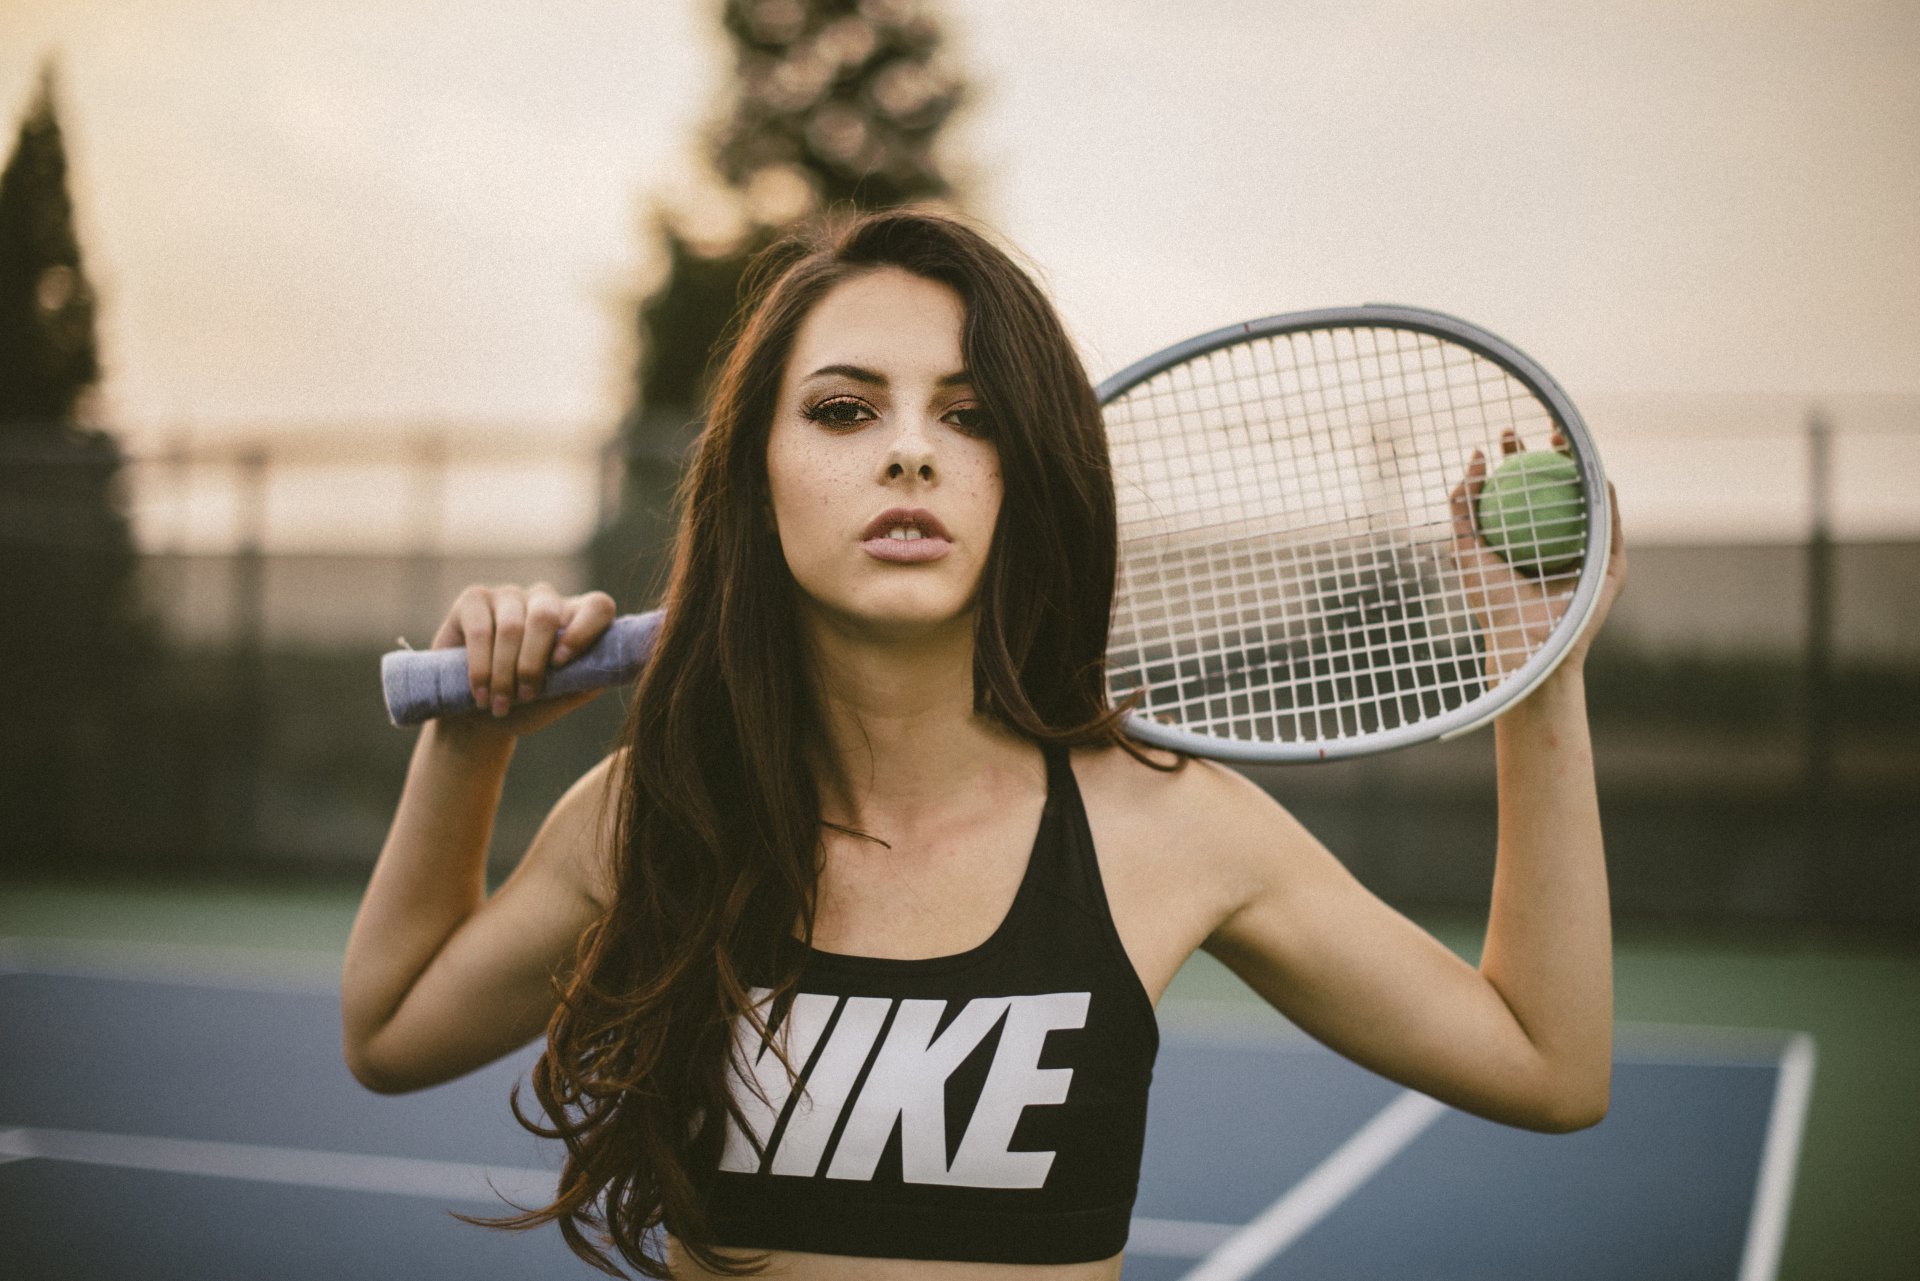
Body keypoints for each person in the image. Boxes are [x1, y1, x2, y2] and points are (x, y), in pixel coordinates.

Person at [341, 209, 1627, 1280]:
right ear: (760, 475)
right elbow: (392, 1035)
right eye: (845, 412)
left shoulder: (1165, 828)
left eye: (970, 416)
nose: (910, 450)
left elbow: (1546, 1065)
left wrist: (1539, 678)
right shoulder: (659, 810)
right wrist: (470, 743)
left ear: (1025, 478)